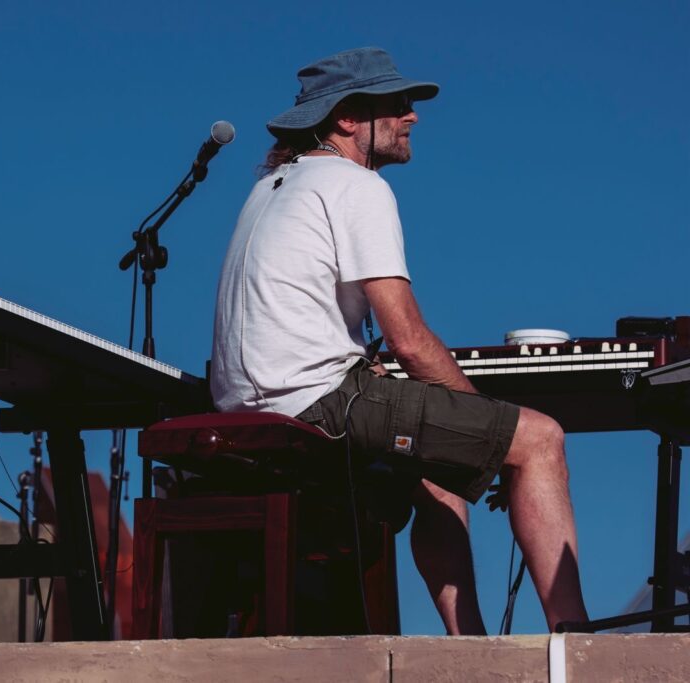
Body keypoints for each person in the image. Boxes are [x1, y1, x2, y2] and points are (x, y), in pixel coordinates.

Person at [210, 46, 588, 634]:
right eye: (397, 104)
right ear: (347, 118)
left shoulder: (273, 187)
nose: (412, 115)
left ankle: (468, 647)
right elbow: (408, 339)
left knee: (437, 465)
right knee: (540, 440)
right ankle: (577, 644)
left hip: (250, 401)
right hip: (316, 400)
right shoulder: (353, 185)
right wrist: (486, 428)